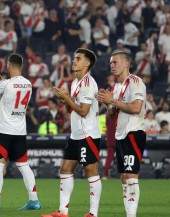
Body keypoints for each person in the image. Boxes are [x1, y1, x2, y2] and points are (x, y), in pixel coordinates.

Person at [42, 48, 101, 217]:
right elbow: (72, 111)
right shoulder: (76, 82)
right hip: (76, 135)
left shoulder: (89, 83)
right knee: (66, 168)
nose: (74, 61)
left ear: (87, 63)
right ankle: (62, 211)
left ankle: (93, 213)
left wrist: (67, 99)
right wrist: (65, 99)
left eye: (78, 58)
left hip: (88, 134)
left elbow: (83, 111)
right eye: (75, 58)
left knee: (91, 171)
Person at [0, 54, 41, 211]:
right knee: (24, 166)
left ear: (8, 65)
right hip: (20, 131)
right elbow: (10, 87)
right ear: (21, 66)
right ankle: (34, 200)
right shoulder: (28, 84)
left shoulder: (6, 84)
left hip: (3, 131)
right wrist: (0, 78)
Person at [97, 51, 146, 217]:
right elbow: (112, 115)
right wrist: (109, 104)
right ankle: (128, 213)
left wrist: (113, 101)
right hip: (120, 135)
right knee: (124, 177)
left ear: (126, 64)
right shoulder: (116, 87)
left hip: (134, 132)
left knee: (131, 176)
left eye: (115, 62)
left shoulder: (136, 82)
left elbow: (136, 108)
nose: (112, 65)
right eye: (111, 63)